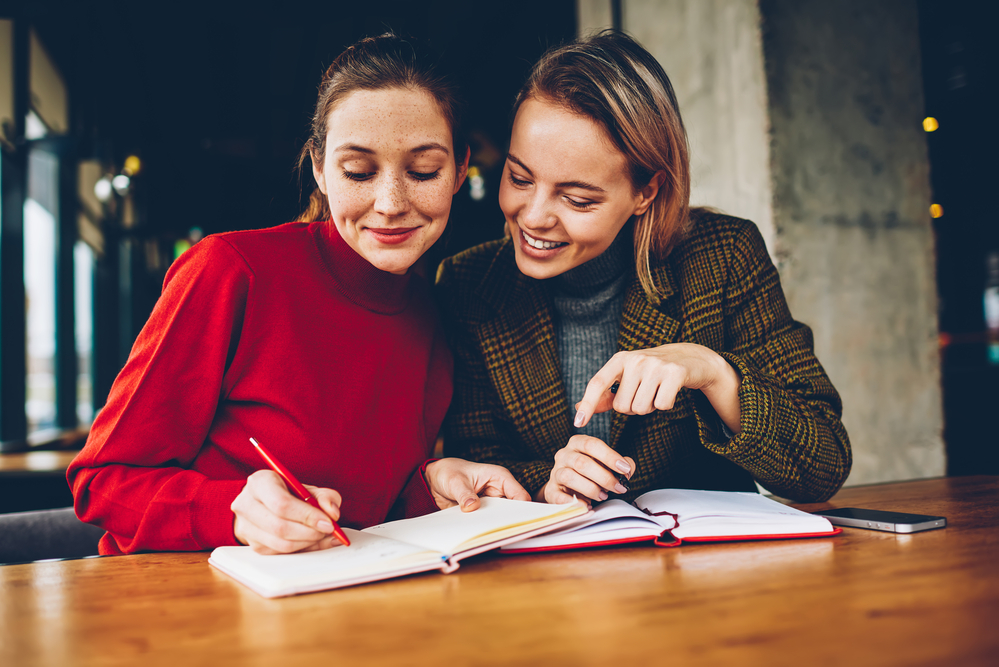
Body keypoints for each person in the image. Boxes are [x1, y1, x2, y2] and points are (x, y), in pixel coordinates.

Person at [68, 33, 529, 557]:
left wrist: (433, 483)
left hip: (343, 608)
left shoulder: (433, 309)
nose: (391, 202)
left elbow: (372, 509)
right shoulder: (231, 272)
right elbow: (101, 481)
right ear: (319, 168)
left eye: (424, 171)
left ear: (458, 170)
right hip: (189, 605)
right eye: (358, 171)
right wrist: (235, 513)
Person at [437, 30, 851, 506]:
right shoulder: (467, 283)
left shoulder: (723, 257)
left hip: (706, 572)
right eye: (519, 177)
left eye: (576, 198)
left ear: (645, 192)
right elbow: (477, 464)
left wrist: (715, 372)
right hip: (548, 578)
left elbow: (824, 465)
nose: (532, 217)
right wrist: (545, 483)